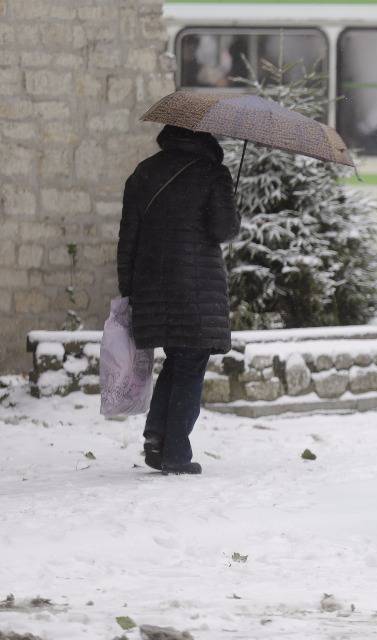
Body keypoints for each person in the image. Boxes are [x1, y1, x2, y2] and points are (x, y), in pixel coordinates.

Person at [117, 125, 240, 475]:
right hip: (194, 287)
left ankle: (157, 438)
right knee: (191, 362)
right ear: (206, 138)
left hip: (151, 285)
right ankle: (175, 451)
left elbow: (128, 237)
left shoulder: (144, 172)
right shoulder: (213, 173)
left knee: (178, 358)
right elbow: (222, 229)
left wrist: (129, 289)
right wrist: (234, 213)